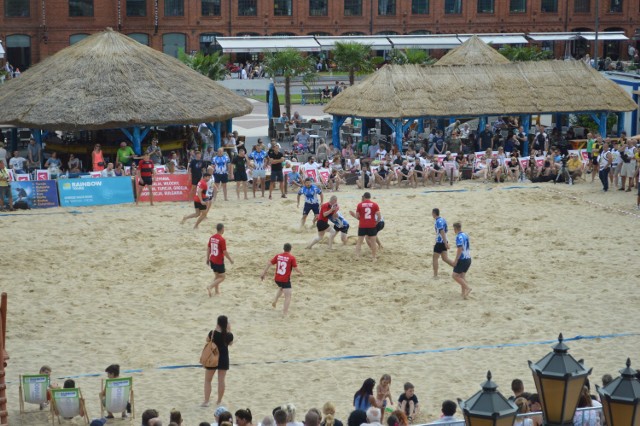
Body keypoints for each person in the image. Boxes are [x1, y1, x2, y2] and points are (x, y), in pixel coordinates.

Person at [261, 243, 302, 316]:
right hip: (285, 279)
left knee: (281, 288)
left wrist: (263, 273)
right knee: (288, 296)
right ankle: (285, 313)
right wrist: (301, 272)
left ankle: (275, 301)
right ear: (290, 249)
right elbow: (296, 268)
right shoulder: (291, 258)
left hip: (277, 279)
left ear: (283, 249)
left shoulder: (278, 256)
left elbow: (269, 263)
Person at [202, 315, 233, 407]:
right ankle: (219, 401)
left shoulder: (213, 333)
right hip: (223, 358)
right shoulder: (229, 335)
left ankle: (206, 401)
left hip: (212, 358)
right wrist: (229, 331)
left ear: (218, 323)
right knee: (221, 381)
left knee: (208, 380)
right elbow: (230, 344)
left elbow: (207, 340)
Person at [350, 192, 381, 261]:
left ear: (364, 197)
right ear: (370, 197)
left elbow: (357, 216)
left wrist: (358, 217)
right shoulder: (375, 204)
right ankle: (374, 257)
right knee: (373, 242)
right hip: (371, 225)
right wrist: (376, 222)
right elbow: (379, 216)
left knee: (359, 242)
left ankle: (357, 256)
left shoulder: (360, 205)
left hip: (362, 225)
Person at [206, 223, 234, 297]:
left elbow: (208, 248)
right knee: (222, 277)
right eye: (224, 228)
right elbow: (224, 252)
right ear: (222, 229)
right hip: (218, 261)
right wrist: (230, 259)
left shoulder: (212, 237)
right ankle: (210, 286)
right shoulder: (222, 240)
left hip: (212, 260)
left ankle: (217, 292)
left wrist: (207, 258)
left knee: (217, 276)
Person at [451, 221, 472, 299]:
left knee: (455, 275)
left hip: (462, 259)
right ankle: (463, 294)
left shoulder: (458, 237)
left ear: (455, 229)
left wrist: (456, 260)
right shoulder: (465, 235)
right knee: (462, 276)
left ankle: (467, 288)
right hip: (468, 259)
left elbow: (460, 249)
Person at [432, 208, 453, 279]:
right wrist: (446, 242)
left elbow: (442, 231)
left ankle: (435, 275)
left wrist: (445, 243)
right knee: (445, 258)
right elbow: (446, 230)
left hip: (440, 242)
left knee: (435, 258)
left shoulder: (438, 221)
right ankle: (458, 269)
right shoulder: (443, 220)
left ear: (434, 213)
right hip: (444, 240)